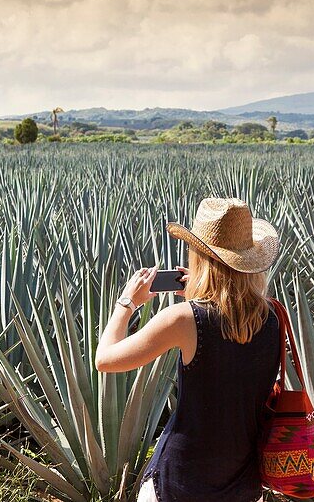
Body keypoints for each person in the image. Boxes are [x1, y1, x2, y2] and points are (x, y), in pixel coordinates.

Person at [95, 197, 282, 502]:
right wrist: (199, 296)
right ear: (249, 261)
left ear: (200, 257)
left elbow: (105, 359)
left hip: (180, 483)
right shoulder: (274, 316)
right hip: (243, 486)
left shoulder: (184, 319)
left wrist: (126, 303)